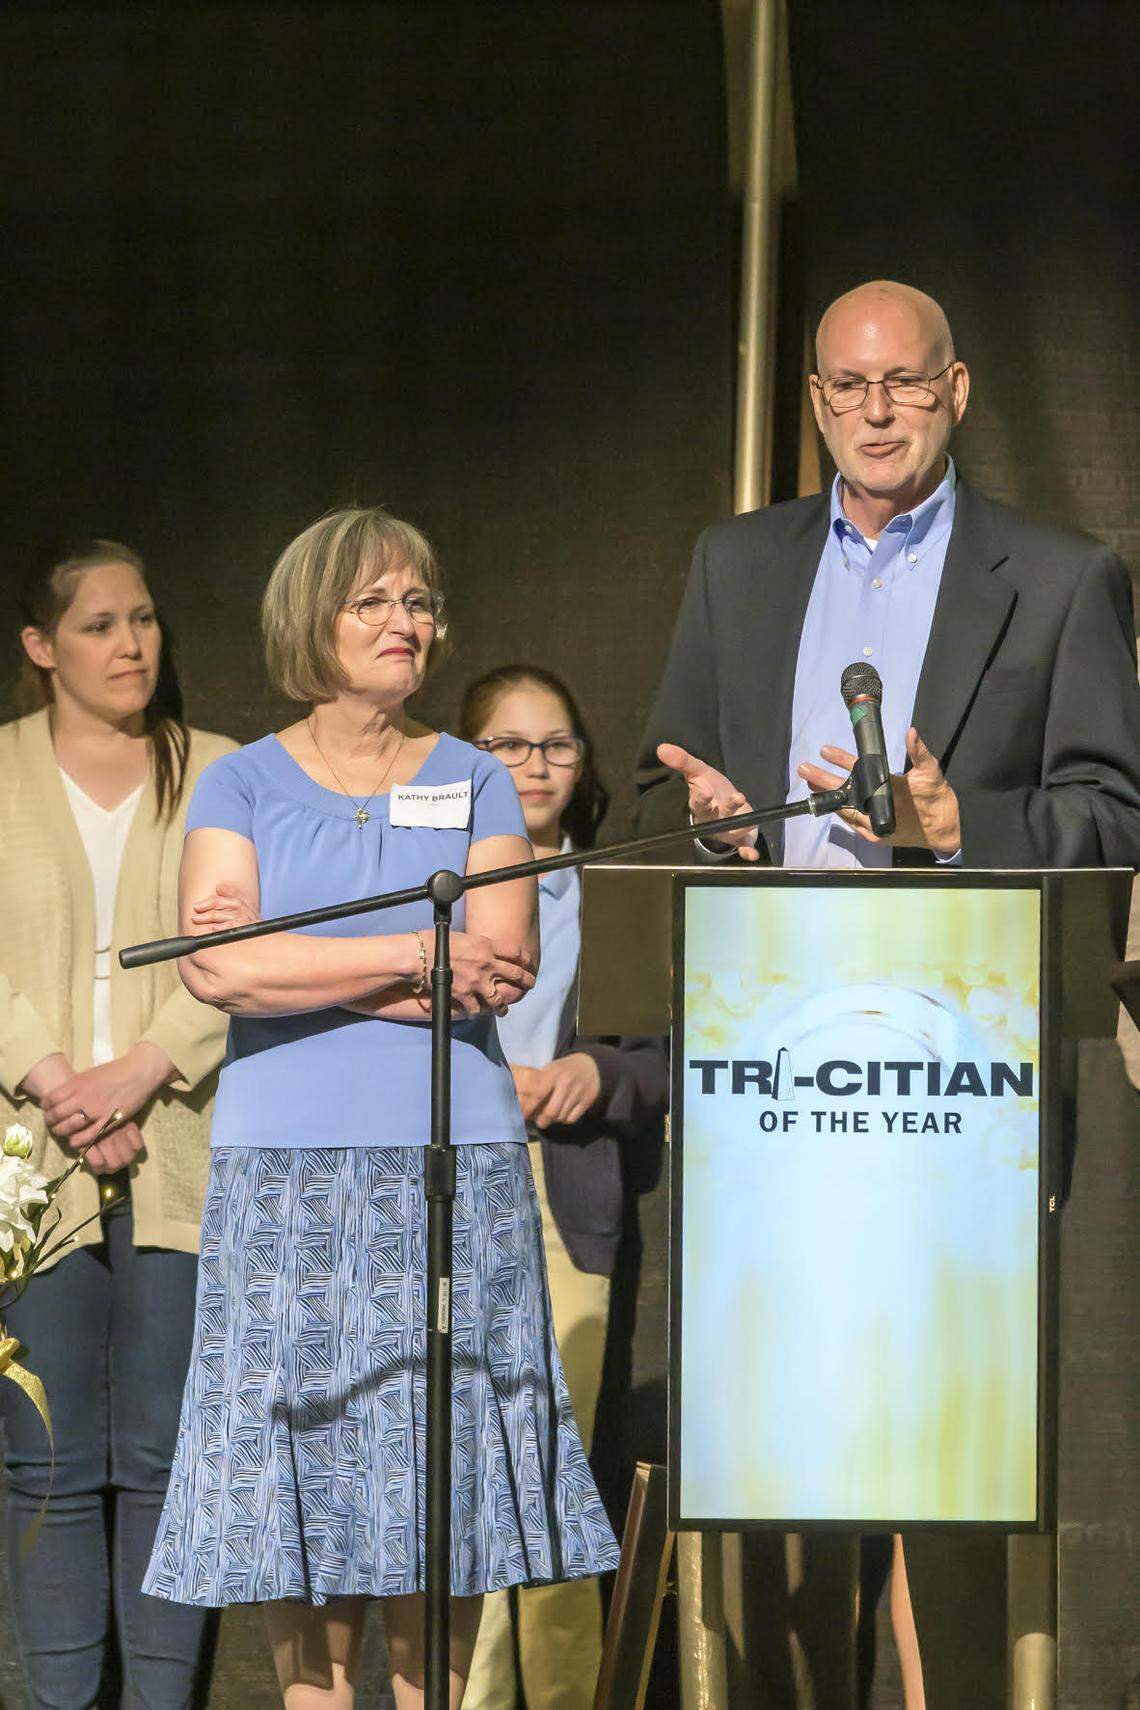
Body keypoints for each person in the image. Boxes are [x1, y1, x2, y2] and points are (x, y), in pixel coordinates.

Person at [635, 280, 1140, 1707]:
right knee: (773, 1418)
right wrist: (713, 815)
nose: (875, 411)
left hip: (953, 1063)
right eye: (849, 387)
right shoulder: (736, 564)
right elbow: (657, 771)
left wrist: (955, 830)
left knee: (942, 1430)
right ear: (811, 398)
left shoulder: (1057, 572)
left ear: (959, 391)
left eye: (904, 385)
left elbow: (1112, 814)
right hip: (770, 1048)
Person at [141, 508, 620, 1710]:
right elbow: (217, 969)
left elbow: (498, 962)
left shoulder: (473, 779)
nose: (406, 625)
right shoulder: (237, 781)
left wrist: (313, 965)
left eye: (417, 603)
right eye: (376, 604)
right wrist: (418, 950)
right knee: (296, 1441)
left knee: (436, 1447)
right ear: (314, 622)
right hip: (282, 1171)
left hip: (446, 1161)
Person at [0, 540, 235, 1709]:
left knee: (165, 1461)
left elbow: (241, 951)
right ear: (42, 648)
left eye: (143, 619)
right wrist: (58, 1083)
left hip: (180, 1145)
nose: (131, 644)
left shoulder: (224, 774)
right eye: (98, 625)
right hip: (28, 1168)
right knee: (43, 1461)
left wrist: (141, 1071)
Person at [458, 665, 668, 1710]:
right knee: (454, 1476)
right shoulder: (427, 881)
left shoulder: (612, 882)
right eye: (507, 743)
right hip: (441, 1191)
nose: (534, 765)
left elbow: (675, 1051)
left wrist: (601, 1071)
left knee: (544, 1470)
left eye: (557, 744)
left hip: (564, 1193)